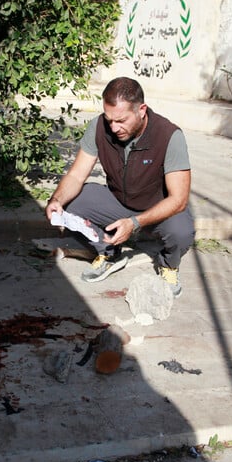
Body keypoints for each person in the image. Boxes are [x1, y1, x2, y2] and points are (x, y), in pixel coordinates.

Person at [45, 77, 195, 297]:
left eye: (121, 120)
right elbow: (77, 174)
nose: (114, 128)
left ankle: (168, 265)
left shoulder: (169, 136)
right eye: (109, 119)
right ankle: (108, 252)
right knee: (69, 202)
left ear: (141, 110)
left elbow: (178, 199)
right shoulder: (99, 126)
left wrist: (134, 224)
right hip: (118, 201)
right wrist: (56, 200)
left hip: (157, 208)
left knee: (181, 231)